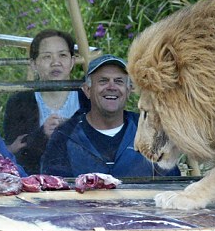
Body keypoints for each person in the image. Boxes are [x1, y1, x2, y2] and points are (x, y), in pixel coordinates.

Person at [41, 54, 180, 178]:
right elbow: (54, 193)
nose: (111, 87)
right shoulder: (65, 135)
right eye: (103, 81)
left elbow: (171, 184)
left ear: (129, 90)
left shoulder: (150, 129)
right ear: (87, 90)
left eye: (119, 81)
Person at [3, 29, 90, 174]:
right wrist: (42, 134)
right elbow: (15, 153)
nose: (56, 63)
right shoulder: (19, 102)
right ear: (33, 64)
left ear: (72, 61)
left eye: (62, 55)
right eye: (47, 57)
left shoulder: (88, 97)